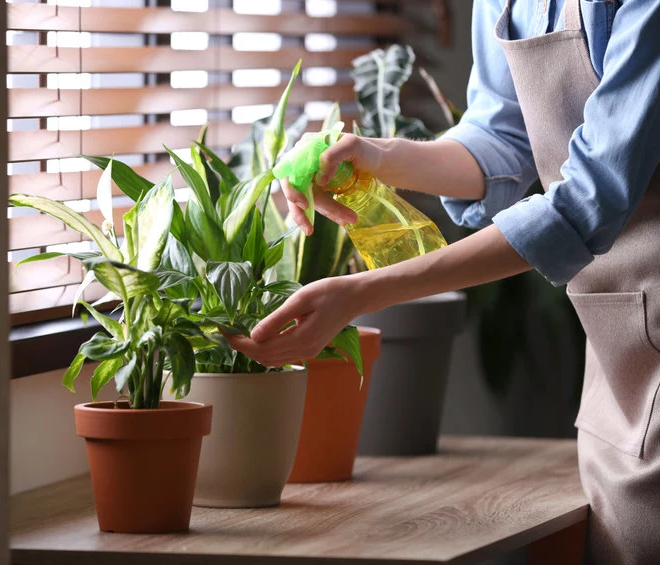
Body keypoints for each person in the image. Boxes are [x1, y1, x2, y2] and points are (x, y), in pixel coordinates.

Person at [227, 0, 660, 563]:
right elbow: (497, 140)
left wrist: (366, 291)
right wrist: (375, 156)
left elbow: (587, 201)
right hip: (619, 354)